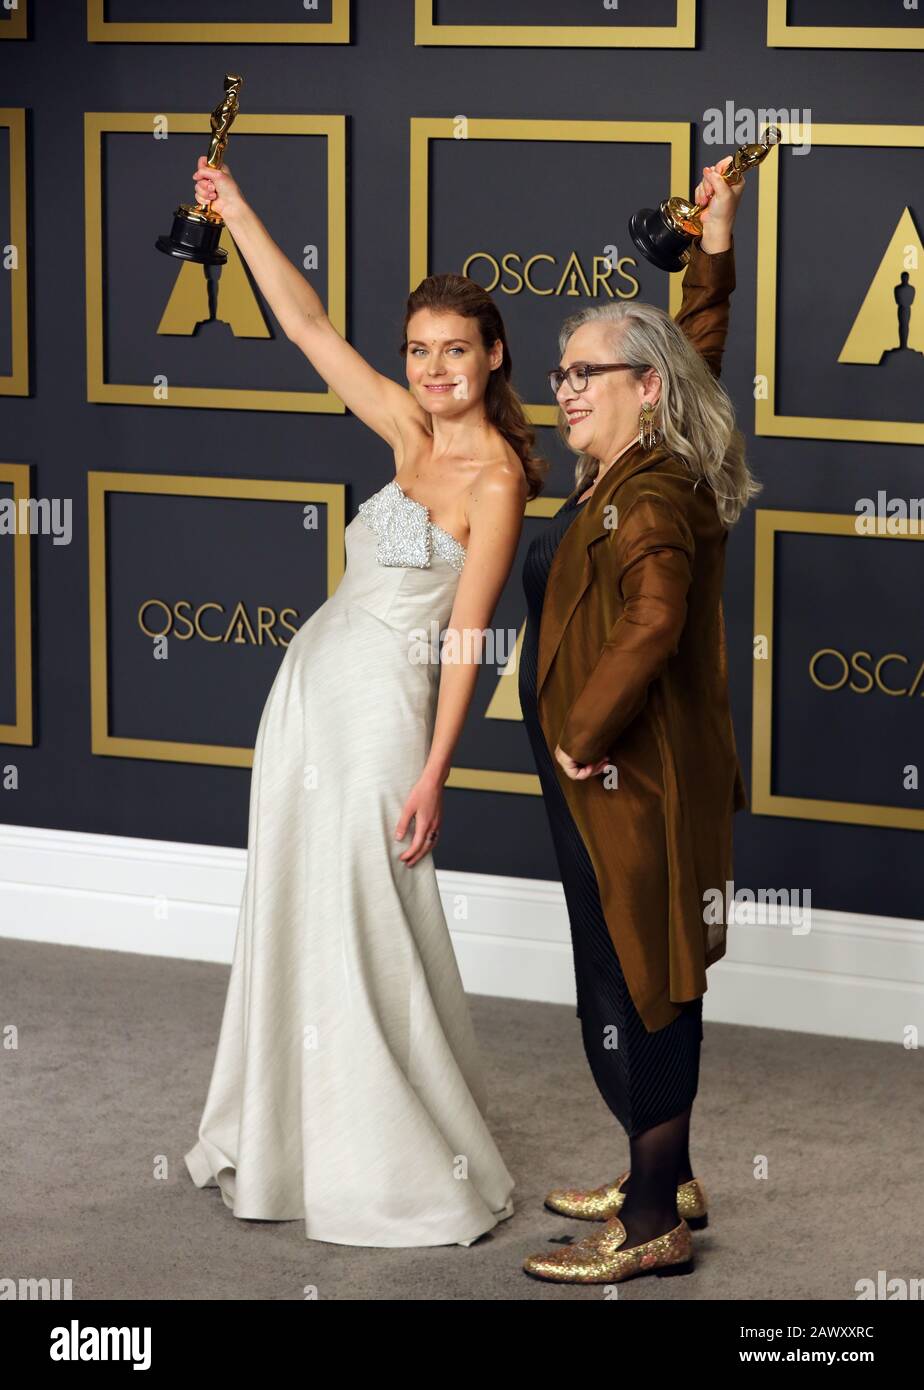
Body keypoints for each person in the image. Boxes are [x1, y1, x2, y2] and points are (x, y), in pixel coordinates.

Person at [182, 156, 546, 1247]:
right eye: (419, 351)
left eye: (455, 350)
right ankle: (296, 1133)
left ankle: (396, 1154)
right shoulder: (408, 434)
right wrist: (237, 208)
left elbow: (471, 643)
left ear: (494, 357)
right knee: (302, 903)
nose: (435, 369)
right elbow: (305, 328)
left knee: (372, 916)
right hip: (307, 695)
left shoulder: (498, 479)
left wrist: (437, 772)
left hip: (389, 709)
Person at [518, 159, 760, 1284]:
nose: (564, 390)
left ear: (643, 388)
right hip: (611, 780)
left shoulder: (648, 490)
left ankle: (654, 1216)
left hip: (627, 777)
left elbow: (655, 616)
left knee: (642, 986)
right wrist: (713, 241)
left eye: (586, 374)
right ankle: (665, 1171)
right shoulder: (642, 454)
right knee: (633, 972)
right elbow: (695, 349)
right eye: (560, 373)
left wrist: (583, 730)